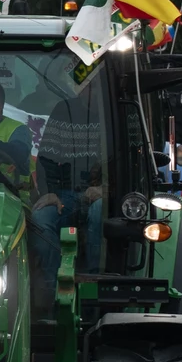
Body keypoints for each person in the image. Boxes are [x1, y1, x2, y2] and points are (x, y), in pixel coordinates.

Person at [27, 93, 106, 310]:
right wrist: (49, 193)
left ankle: (94, 285)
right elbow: (46, 158)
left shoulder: (117, 109)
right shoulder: (64, 111)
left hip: (109, 196)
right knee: (40, 218)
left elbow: (131, 162)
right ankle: (52, 290)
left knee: (100, 211)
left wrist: (107, 189)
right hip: (68, 195)